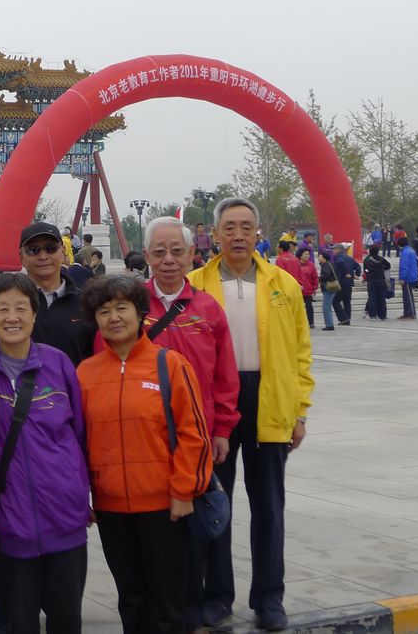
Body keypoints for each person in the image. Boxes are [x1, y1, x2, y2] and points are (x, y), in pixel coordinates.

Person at [188, 198, 313, 631]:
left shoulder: (283, 284)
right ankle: (217, 596)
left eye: (246, 227)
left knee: (269, 506)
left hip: (268, 400)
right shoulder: (195, 285)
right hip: (215, 404)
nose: (238, 235)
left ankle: (269, 598)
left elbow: (301, 352)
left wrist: (299, 412)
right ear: (214, 235)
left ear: (258, 233)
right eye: (229, 227)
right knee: (215, 503)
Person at [78, 276, 212, 633]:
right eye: (104, 311)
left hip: (163, 506)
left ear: (140, 313)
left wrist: (184, 490)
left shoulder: (170, 365)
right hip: (111, 508)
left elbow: (193, 434)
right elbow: (78, 441)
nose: (113, 317)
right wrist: (81, 496)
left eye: (121, 308)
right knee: (131, 599)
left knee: (168, 605)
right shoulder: (85, 374)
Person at [0, 272, 91, 633]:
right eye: (2, 309)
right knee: (18, 621)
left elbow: (79, 435)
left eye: (21, 308)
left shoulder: (58, 363)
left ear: (35, 314)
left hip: (65, 516)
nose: (12, 317)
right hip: (9, 520)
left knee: (66, 619)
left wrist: (83, 494)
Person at [139, 216, 240, 630]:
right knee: (156, 528)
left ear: (191, 255)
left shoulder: (207, 308)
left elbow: (225, 376)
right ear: (146, 256)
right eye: (159, 251)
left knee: (201, 522)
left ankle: (202, 603)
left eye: (177, 251)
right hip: (146, 440)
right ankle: (162, 606)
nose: (168, 259)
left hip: (198, 438)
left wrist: (222, 430)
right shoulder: (131, 306)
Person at [18, 221, 93, 366]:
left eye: (51, 248)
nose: (43, 256)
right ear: (21, 257)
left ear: (63, 252)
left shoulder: (87, 302)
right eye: (33, 250)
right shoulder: (9, 303)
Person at [332, 244, 360, 324]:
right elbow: (357, 266)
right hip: (349, 283)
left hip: (341, 282)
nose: (333, 251)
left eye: (334, 249)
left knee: (335, 301)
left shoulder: (337, 257)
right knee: (347, 302)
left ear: (339, 249)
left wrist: (346, 272)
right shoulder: (349, 258)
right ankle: (347, 320)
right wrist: (357, 274)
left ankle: (344, 318)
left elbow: (341, 263)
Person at [362, 246, 391, 320]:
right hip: (381, 280)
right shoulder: (381, 259)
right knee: (382, 298)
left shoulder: (367, 260)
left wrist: (367, 275)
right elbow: (388, 266)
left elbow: (365, 270)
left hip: (371, 280)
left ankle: (373, 315)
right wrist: (382, 269)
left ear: (369, 251)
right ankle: (383, 316)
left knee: (372, 298)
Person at [397, 238, 418, 320]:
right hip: (412, 275)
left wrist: (402, 277)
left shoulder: (405, 253)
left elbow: (404, 266)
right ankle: (406, 313)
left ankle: (410, 313)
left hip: (408, 277)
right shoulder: (411, 250)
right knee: (406, 296)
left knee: (408, 296)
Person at [297, 248, 318, 328]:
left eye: (308, 254)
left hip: (308, 290)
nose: (307, 256)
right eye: (305, 254)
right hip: (298, 290)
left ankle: (311, 323)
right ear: (300, 255)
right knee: (298, 308)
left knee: (309, 307)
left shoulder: (311, 265)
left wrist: (314, 287)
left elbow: (315, 277)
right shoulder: (296, 264)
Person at [317, 252, 338, 330]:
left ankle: (329, 325)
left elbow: (326, 275)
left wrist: (319, 278)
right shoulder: (330, 264)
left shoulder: (326, 265)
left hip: (328, 288)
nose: (318, 258)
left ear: (324, 257)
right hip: (331, 287)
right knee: (327, 306)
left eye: (319, 257)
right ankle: (329, 324)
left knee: (326, 307)